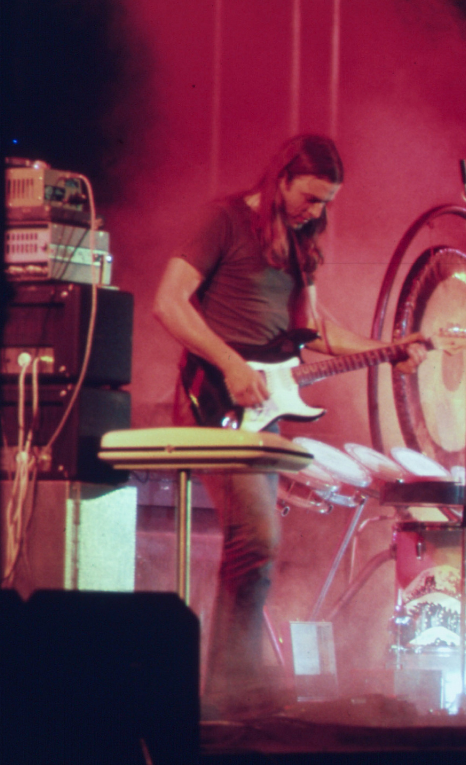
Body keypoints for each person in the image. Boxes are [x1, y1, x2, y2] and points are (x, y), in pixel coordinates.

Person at [153, 134, 425, 718]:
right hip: (213, 397)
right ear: (280, 180)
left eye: (326, 202)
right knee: (257, 538)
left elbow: (316, 329)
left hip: (264, 407)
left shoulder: (303, 243)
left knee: (256, 543)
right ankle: (229, 688)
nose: (316, 211)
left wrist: (389, 349)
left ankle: (233, 681)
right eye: (309, 197)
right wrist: (230, 363)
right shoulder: (223, 221)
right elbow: (169, 302)